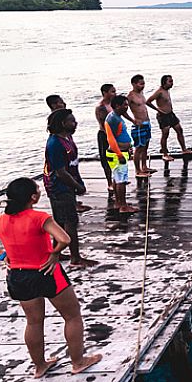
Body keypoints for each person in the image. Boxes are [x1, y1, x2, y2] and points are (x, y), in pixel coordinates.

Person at [0, 178, 102, 377]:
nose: (39, 191)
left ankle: (40, 366)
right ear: (33, 197)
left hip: (18, 276)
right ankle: (78, 362)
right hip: (47, 273)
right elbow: (65, 238)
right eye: (38, 190)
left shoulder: (0, 220)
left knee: (34, 322)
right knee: (72, 316)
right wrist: (55, 253)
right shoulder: (39, 217)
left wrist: (2, 254)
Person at [44, 109, 96, 267]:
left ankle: (56, 253)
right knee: (69, 221)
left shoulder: (67, 138)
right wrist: (78, 186)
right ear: (62, 124)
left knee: (60, 221)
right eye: (71, 121)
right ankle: (75, 258)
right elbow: (61, 172)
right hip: (59, 187)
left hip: (67, 185)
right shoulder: (55, 144)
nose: (75, 123)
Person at [147, 75, 192, 160]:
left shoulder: (166, 90)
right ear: (165, 82)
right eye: (170, 81)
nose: (172, 83)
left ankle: (184, 149)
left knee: (179, 129)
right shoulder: (159, 91)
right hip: (163, 116)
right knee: (165, 134)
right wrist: (159, 110)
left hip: (170, 114)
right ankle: (165, 154)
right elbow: (148, 101)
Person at [105, 96, 138, 213]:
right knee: (121, 181)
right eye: (124, 105)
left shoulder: (117, 117)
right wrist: (119, 154)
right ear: (117, 106)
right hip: (116, 154)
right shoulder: (113, 119)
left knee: (117, 178)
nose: (127, 107)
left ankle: (118, 202)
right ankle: (123, 206)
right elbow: (111, 139)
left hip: (120, 152)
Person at [127, 74, 160, 178]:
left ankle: (144, 167)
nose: (143, 86)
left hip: (147, 123)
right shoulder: (130, 96)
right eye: (140, 84)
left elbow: (145, 106)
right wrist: (132, 120)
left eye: (143, 83)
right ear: (134, 84)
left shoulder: (141, 94)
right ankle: (138, 170)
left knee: (145, 146)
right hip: (138, 125)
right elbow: (121, 109)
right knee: (139, 148)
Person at [95, 84, 117, 193]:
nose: (115, 93)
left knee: (117, 157)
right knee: (106, 159)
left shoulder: (113, 104)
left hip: (116, 134)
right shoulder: (101, 107)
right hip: (105, 135)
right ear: (105, 93)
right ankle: (109, 182)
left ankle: (117, 180)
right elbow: (104, 125)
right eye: (112, 92)